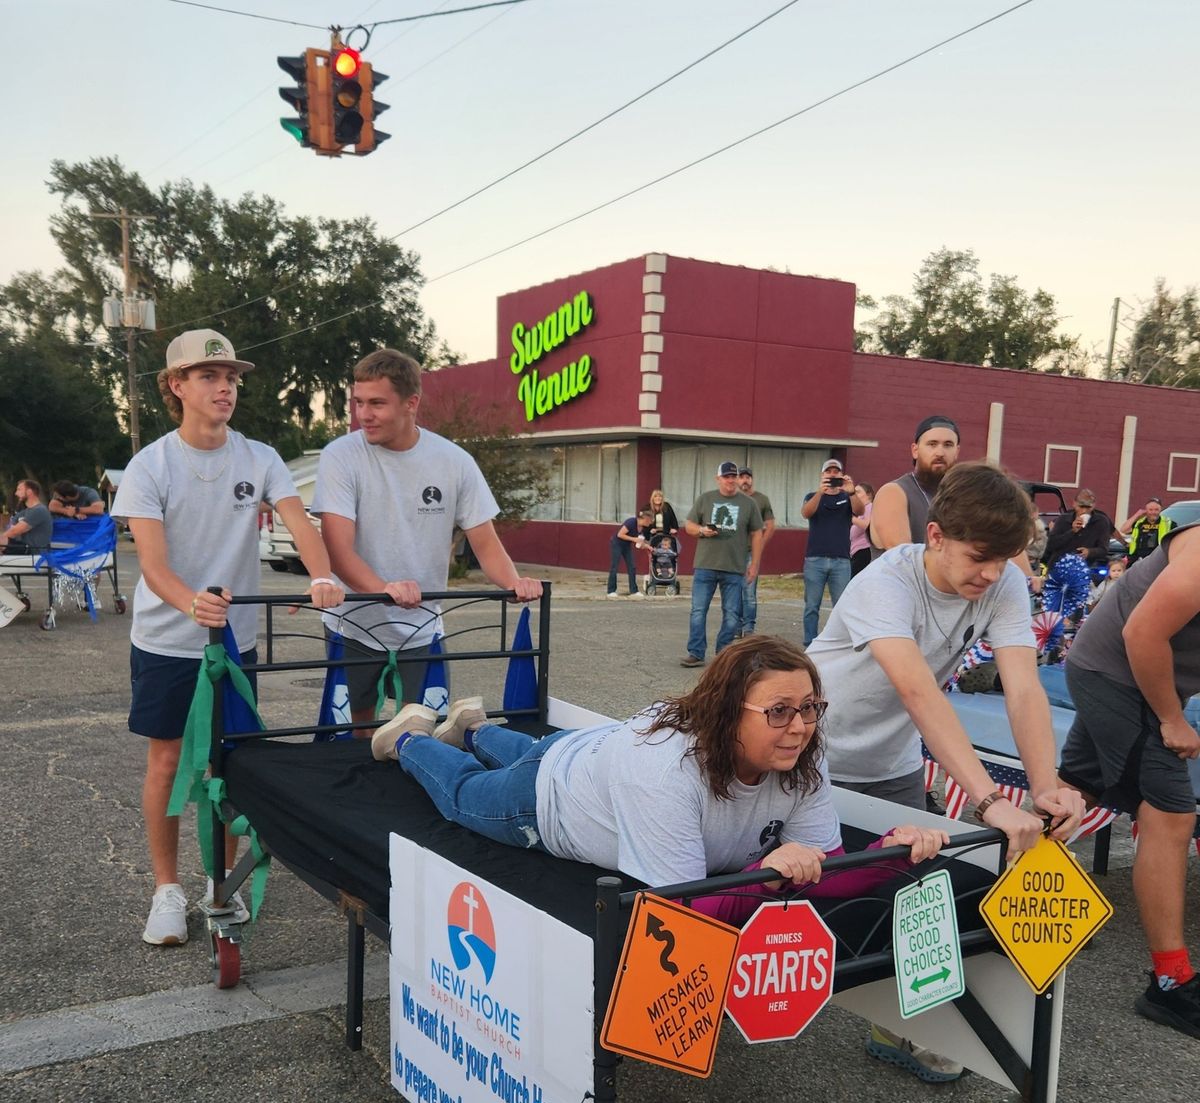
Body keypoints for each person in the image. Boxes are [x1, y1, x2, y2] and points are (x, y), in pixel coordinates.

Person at [808, 462, 1085, 1081]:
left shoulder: (1002, 582)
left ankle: (900, 1025)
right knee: (796, 887)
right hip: (812, 756)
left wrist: (1045, 787)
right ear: (935, 535)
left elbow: (1023, 689)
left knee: (914, 895)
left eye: (1003, 560)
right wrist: (988, 800)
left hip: (892, 761)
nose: (990, 574)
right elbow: (918, 692)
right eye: (979, 557)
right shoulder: (887, 581)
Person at [367, 635, 947, 914]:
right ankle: (411, 738)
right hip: (547, 797)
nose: (799, 727)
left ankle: (473, 726)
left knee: (526, 747)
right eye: (778, 711)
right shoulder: (666, 773)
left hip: (593, 755)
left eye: (810, 707)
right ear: (728, 713)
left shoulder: (801, 753)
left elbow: (826, 865)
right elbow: (683, 912)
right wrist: (768, 877)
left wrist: (891, 854)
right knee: (465, 794)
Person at [112, 329, 345, 948]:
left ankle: (221, 881)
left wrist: (321, 574)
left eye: (232, 378)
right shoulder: (150, 465)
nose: (225, 388)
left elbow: (300, 522)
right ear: (176, 385)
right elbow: (153, 565)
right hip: (167, 640)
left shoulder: (260, 457)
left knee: (229, 765)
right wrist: (190, 601)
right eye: (209, 376)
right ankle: (166, 890)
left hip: (234, 644)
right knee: (167, 761)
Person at [313, 349, 542, 725]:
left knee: (420, 730)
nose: (364, 415)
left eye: (377, 403)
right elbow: (338, 550)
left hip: (421, 626)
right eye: (358, 402)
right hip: (352, 624)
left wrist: (514, 583)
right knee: (355, 734)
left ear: (411, 403)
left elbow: (485, 542)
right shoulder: (340, 455)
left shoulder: (454, 461)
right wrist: (385, 589)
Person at [1058, 504, 1200, 1039]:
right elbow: (1143, 634)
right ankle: (1169, 983)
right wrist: (1172, 720)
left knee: (1076, 791)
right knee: (1171, 815)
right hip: (1121, 673)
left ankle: (1009, 908)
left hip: (1108, 669)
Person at [681, 460, 763, 667]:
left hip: (734, 567)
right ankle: (696, 652)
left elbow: (757, 534)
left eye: (734, 476)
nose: (730, 480)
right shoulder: (706, 499)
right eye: (726, 476)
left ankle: (723, 653)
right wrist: (702, 530)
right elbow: (689, 525)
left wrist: (754, 564)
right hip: (705, 565)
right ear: (718, 478)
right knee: (698, 610)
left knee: (732, 615)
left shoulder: (748, 504)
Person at [869, 415, 960, 555]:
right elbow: (904, 556)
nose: (940, 453)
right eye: (932, 444)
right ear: (915, 451)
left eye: (948, 445)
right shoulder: (894, 493)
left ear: (957, 452)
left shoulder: (962, 497)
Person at [800, 461, 864, 645]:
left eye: (836, 472)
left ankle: (839, 643)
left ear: (842, 475)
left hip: (841, 561)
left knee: (842, 606)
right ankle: (810, 643)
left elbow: (860, 511)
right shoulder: (812, 496)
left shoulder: (847, 497)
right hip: (815, 559)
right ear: (822, 475)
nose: (833, 475)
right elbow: (806, 513)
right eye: (829, 471)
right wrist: (820, 492)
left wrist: (851, 492)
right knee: (812, 606)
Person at [736, 466, 776, 636]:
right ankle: (735, 627)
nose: (745, 480)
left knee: (749, 592)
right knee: (734, 591)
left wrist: (759, 545)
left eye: (748, 477)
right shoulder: (732, 499)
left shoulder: (762, 500)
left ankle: (748, 628)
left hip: (750, 553)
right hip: (733, 552)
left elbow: (770, 526)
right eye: (741, 477)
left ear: (752, 479)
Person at [1042, 489, 1114, 570]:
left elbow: (1104, 549)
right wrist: (1072, 531)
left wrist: (1090, 552)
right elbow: (1051, 545)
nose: (1084, 511)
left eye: (1088, 507)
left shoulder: (1101, 521)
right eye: (1081, 507)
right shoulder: (1063, 519)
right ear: (1074, 504)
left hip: (1085, 567)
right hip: (1060, 565)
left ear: (1093, 506)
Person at [0, 480, 52, 555]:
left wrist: (2, 541)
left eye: (19, 490)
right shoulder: (22, 513)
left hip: (33, 550)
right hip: (21, 547)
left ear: (29, 492)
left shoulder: (39, 510)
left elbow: (14, 531)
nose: (16, 493)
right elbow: (11, 529)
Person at [607, 509, 651, 597]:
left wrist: (648, 547)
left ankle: (634, 590)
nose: (650, 523)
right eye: (649, 521)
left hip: (627, 545)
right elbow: (620, 534)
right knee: (615, 566)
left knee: (632, 566)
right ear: (645, 519)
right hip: (617, 543)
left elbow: (640, 542)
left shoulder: (641, 528)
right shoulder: (631, 522)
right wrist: (634, 539)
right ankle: (611, 590)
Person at [1119, 498, 1169, 565]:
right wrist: (1137, 515)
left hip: (1158, 559)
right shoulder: (1139, 523)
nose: (1153, 512)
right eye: (1150, 510)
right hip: (1137, 559)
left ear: (1161, 510)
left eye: (1156, 509)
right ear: (1146, 510)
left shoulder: (1168, 523)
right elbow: (1123, 530)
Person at [849, 482, 875, 577]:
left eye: (858, 492)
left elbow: (867, 525)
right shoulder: (862, 512)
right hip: (858, 553)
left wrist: (851, 518)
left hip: (864, 551)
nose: (855, 495)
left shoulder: (869, 506)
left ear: (869, 495)